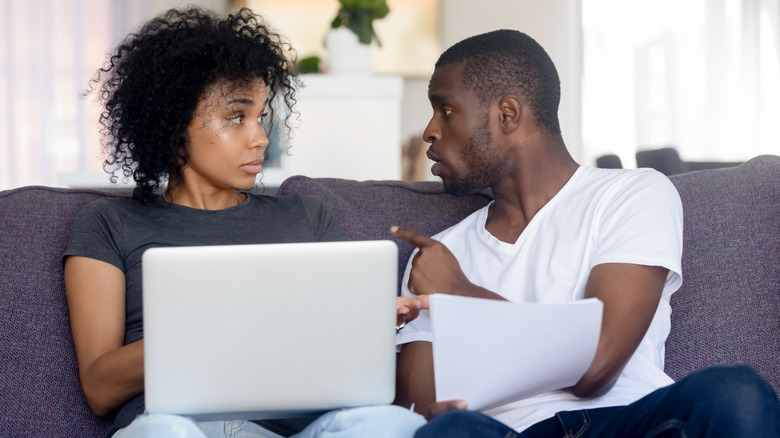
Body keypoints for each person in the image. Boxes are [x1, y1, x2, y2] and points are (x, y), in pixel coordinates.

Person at [391, 29, 780, 437]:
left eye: (445, 110)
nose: (429, 131)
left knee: (736, 391)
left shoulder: (630, 195)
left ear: (507, 114)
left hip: (628, 423)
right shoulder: (438, 255)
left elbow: (595, 367)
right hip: (508, 431)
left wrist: (460, 293)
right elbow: (415, 415)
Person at [63, 7, 425, 438]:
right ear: (176, 124)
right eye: (237, 117)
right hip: (174, 427)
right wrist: (222, 326)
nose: (260, 138)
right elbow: (100, 387)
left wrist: (365, 324)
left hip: (294, 431)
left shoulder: (308, 218)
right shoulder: (109, 224)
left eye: (260, 117)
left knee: (390, 423)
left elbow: (350, 367)